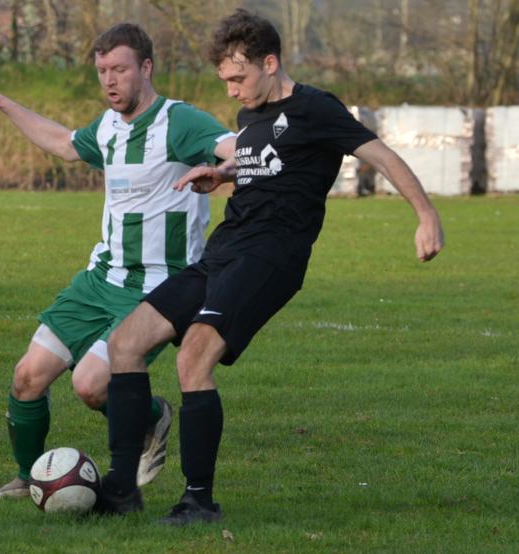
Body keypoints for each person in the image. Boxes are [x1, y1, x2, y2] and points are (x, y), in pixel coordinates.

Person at [94, 10, 444, 525]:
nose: (232, 90)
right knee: (126, 343)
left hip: (271, 256)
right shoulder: (249, 116)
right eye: (226, 81)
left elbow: (383, 157)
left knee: (194, 357)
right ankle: (121, 490)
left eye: (238, 78)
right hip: (224, 249)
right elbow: (265, 162)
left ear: (270, 62)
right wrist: (221, 172)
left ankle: (199, 501)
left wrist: (426, 214)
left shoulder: (317, 108)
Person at [0, 23, 236, 500]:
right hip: (99, 279)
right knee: (27, 378)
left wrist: (224, 170)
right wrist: (2, 103)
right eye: (102, 70)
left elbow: (235, 149)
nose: (110, 80)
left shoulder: (180, 122)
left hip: (155, 288)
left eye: (120, 69)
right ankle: (31, 480)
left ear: (146, 68)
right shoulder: (108, 127)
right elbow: (66, 144)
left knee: (91, 386)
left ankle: (154, 416)